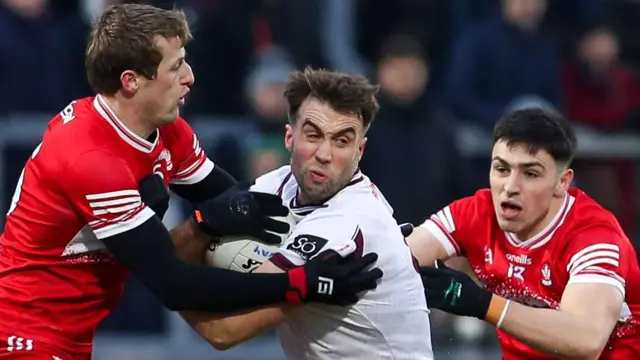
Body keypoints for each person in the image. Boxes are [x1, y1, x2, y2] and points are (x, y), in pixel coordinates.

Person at [0, 4, 381, 359]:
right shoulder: (91, 159)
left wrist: (362, 236)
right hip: (22, 334)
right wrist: (303, 283)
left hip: (66, 334)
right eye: (176, 67)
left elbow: (240, 201)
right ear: (131, 81)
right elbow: (173, 285)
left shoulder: (166, 130)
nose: (189, 78)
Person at [175, 67, 433, 359]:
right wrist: (200, 225)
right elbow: (176, 249)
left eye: (342, 141)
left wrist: (177, 266)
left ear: (360, 151)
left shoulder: (351, 221)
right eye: (313, 135)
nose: (324, 154)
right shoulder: (276, 185)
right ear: (289, 137)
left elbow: (223, 330)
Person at [406, 107, 640, 359]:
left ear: (562, 182)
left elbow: (585, 341)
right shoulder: (475, 213)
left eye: (530, 174)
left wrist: (482, 303)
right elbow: (393, 261)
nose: (510, 187)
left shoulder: (594, 236)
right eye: (502, 169)